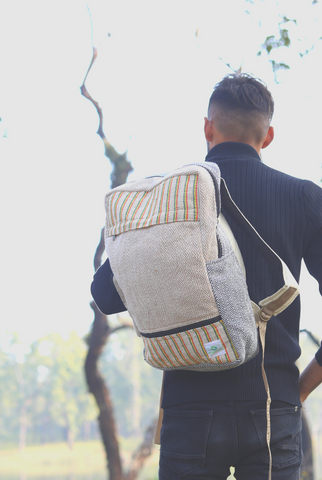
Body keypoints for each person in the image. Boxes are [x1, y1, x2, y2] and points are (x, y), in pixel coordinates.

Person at [90, 73, 322, 480]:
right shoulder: (305, 197)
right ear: (267, 136)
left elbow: (105, 297)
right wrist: (299, 389)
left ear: (207, 127)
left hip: (188, 411)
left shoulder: (167, 201)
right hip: (274, 408)